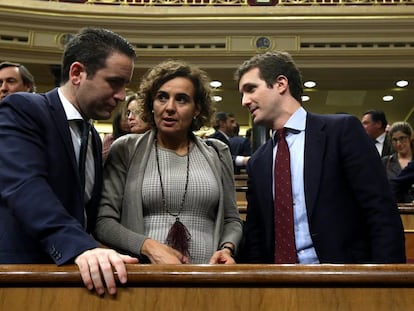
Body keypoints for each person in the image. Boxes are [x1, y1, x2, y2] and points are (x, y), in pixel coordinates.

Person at [0, 27, 138, 295]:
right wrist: (80, 246)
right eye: (114, 82)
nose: (122, 96)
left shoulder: (94, 138)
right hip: (22, 277)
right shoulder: (24, 108)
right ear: (77, 73)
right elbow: (25, 186)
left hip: (78, 280)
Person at [234, 51, 405, 264]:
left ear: (280, 84)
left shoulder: (341, 132)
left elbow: (380, 211)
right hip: (278, 285)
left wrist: (385, 284)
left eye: (250, 89)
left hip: (345, 279)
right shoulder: (259, 161)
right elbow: (257, 237)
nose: (244, 101)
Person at [95, 59, 243, 264]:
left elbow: (232, 220)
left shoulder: (217, 152)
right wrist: (148, 246)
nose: (170, 107)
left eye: (182, 99)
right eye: (162, 97)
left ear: (197, 109)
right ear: (151, 104)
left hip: (208, 278)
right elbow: (104, 222)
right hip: (144, 279)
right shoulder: (126, 148)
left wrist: (227, 248)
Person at [382, 121, 414, 202]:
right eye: (394, 140)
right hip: (394, 209)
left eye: (402, 138)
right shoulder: (385, 162)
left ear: (410, 137)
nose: (398, 144)